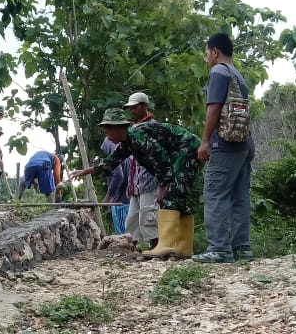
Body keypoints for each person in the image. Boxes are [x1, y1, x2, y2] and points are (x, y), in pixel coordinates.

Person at [71, 108, 201, 259]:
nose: (107, 136)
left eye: (108, 132)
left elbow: (162, 161)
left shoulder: (138, 137)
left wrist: (161, 188)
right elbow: (113, 160)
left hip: (187, 149)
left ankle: (166, 245)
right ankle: (184, 248)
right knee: (179, 196)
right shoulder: (128, 141)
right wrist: (86, 171)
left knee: (171, 194)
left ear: (118, 128)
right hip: (180, 153)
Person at [194, 33, 255, 263]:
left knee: (214, 193)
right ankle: (242, 248)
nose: (206, 57)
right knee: (239, 196)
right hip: (244, 143)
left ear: (215, 51)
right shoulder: (238, 75)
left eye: (206, 52)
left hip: (225, 143)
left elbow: (214, 108)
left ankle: (218, 249)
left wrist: (205, 140)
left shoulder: (218, 72)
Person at [121, 92, 159, 249]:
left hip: (149, 181)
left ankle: (156, 249)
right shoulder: (135, 128)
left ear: (144, 106)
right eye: (131, 108)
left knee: (149, 218)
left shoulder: (153, 127)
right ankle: (130, 249)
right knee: (132, 219)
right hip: (137, 183)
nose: (133, 111)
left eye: (135, 107)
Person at [101, 138, 130, 235]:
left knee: (123, 238)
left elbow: (118, 175)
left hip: (120, 203)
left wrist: (108, 198)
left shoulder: (111, 149)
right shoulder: (126, 154)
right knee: (131, 237)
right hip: (128, 200)